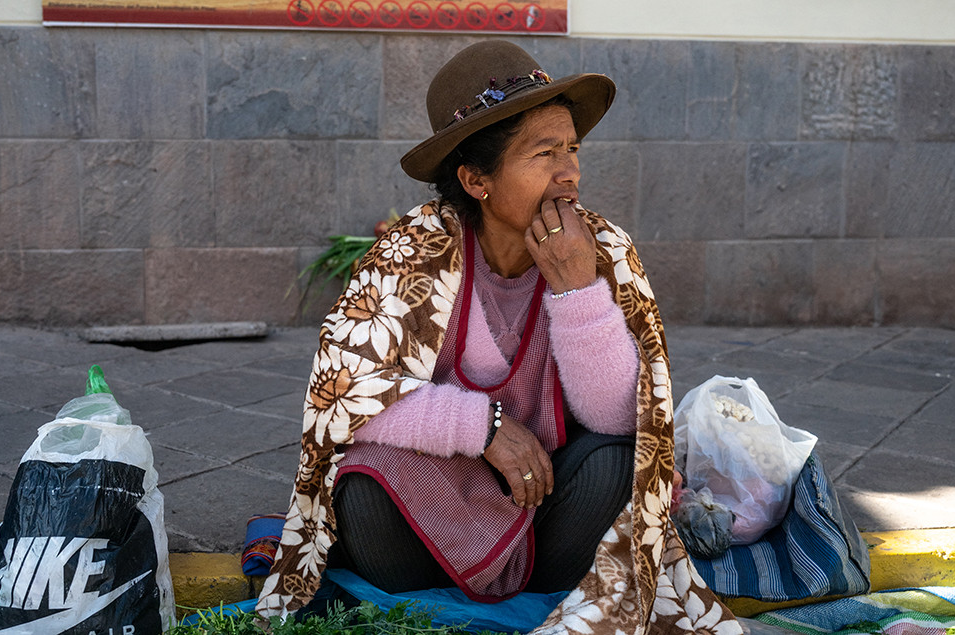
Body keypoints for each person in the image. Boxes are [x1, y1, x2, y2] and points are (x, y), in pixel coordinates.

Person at [257, 41, 741, 634]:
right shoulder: (412, 251)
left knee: (620, 464)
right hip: (434, 508)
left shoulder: (604, 251)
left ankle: (531, 598)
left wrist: (576, 290)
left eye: (572, 148)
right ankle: (441, 604)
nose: (569, 172)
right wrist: (483, 428)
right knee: (359, 481)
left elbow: (623, 418)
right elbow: (343, 393)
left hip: (547, 509)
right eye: (544, 153)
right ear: (476, 179)